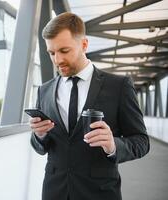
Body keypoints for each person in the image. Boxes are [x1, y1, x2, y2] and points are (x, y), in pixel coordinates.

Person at [29, 12, 150, 200]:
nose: (57, 60)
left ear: (84, 44)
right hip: (54, 192)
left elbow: (142, 142)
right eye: (51, 53)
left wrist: (113, 145)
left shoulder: (119, 86)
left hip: (99, 193)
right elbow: (40, 148)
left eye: (64, 51)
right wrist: (40, 135)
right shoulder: (44, 91)